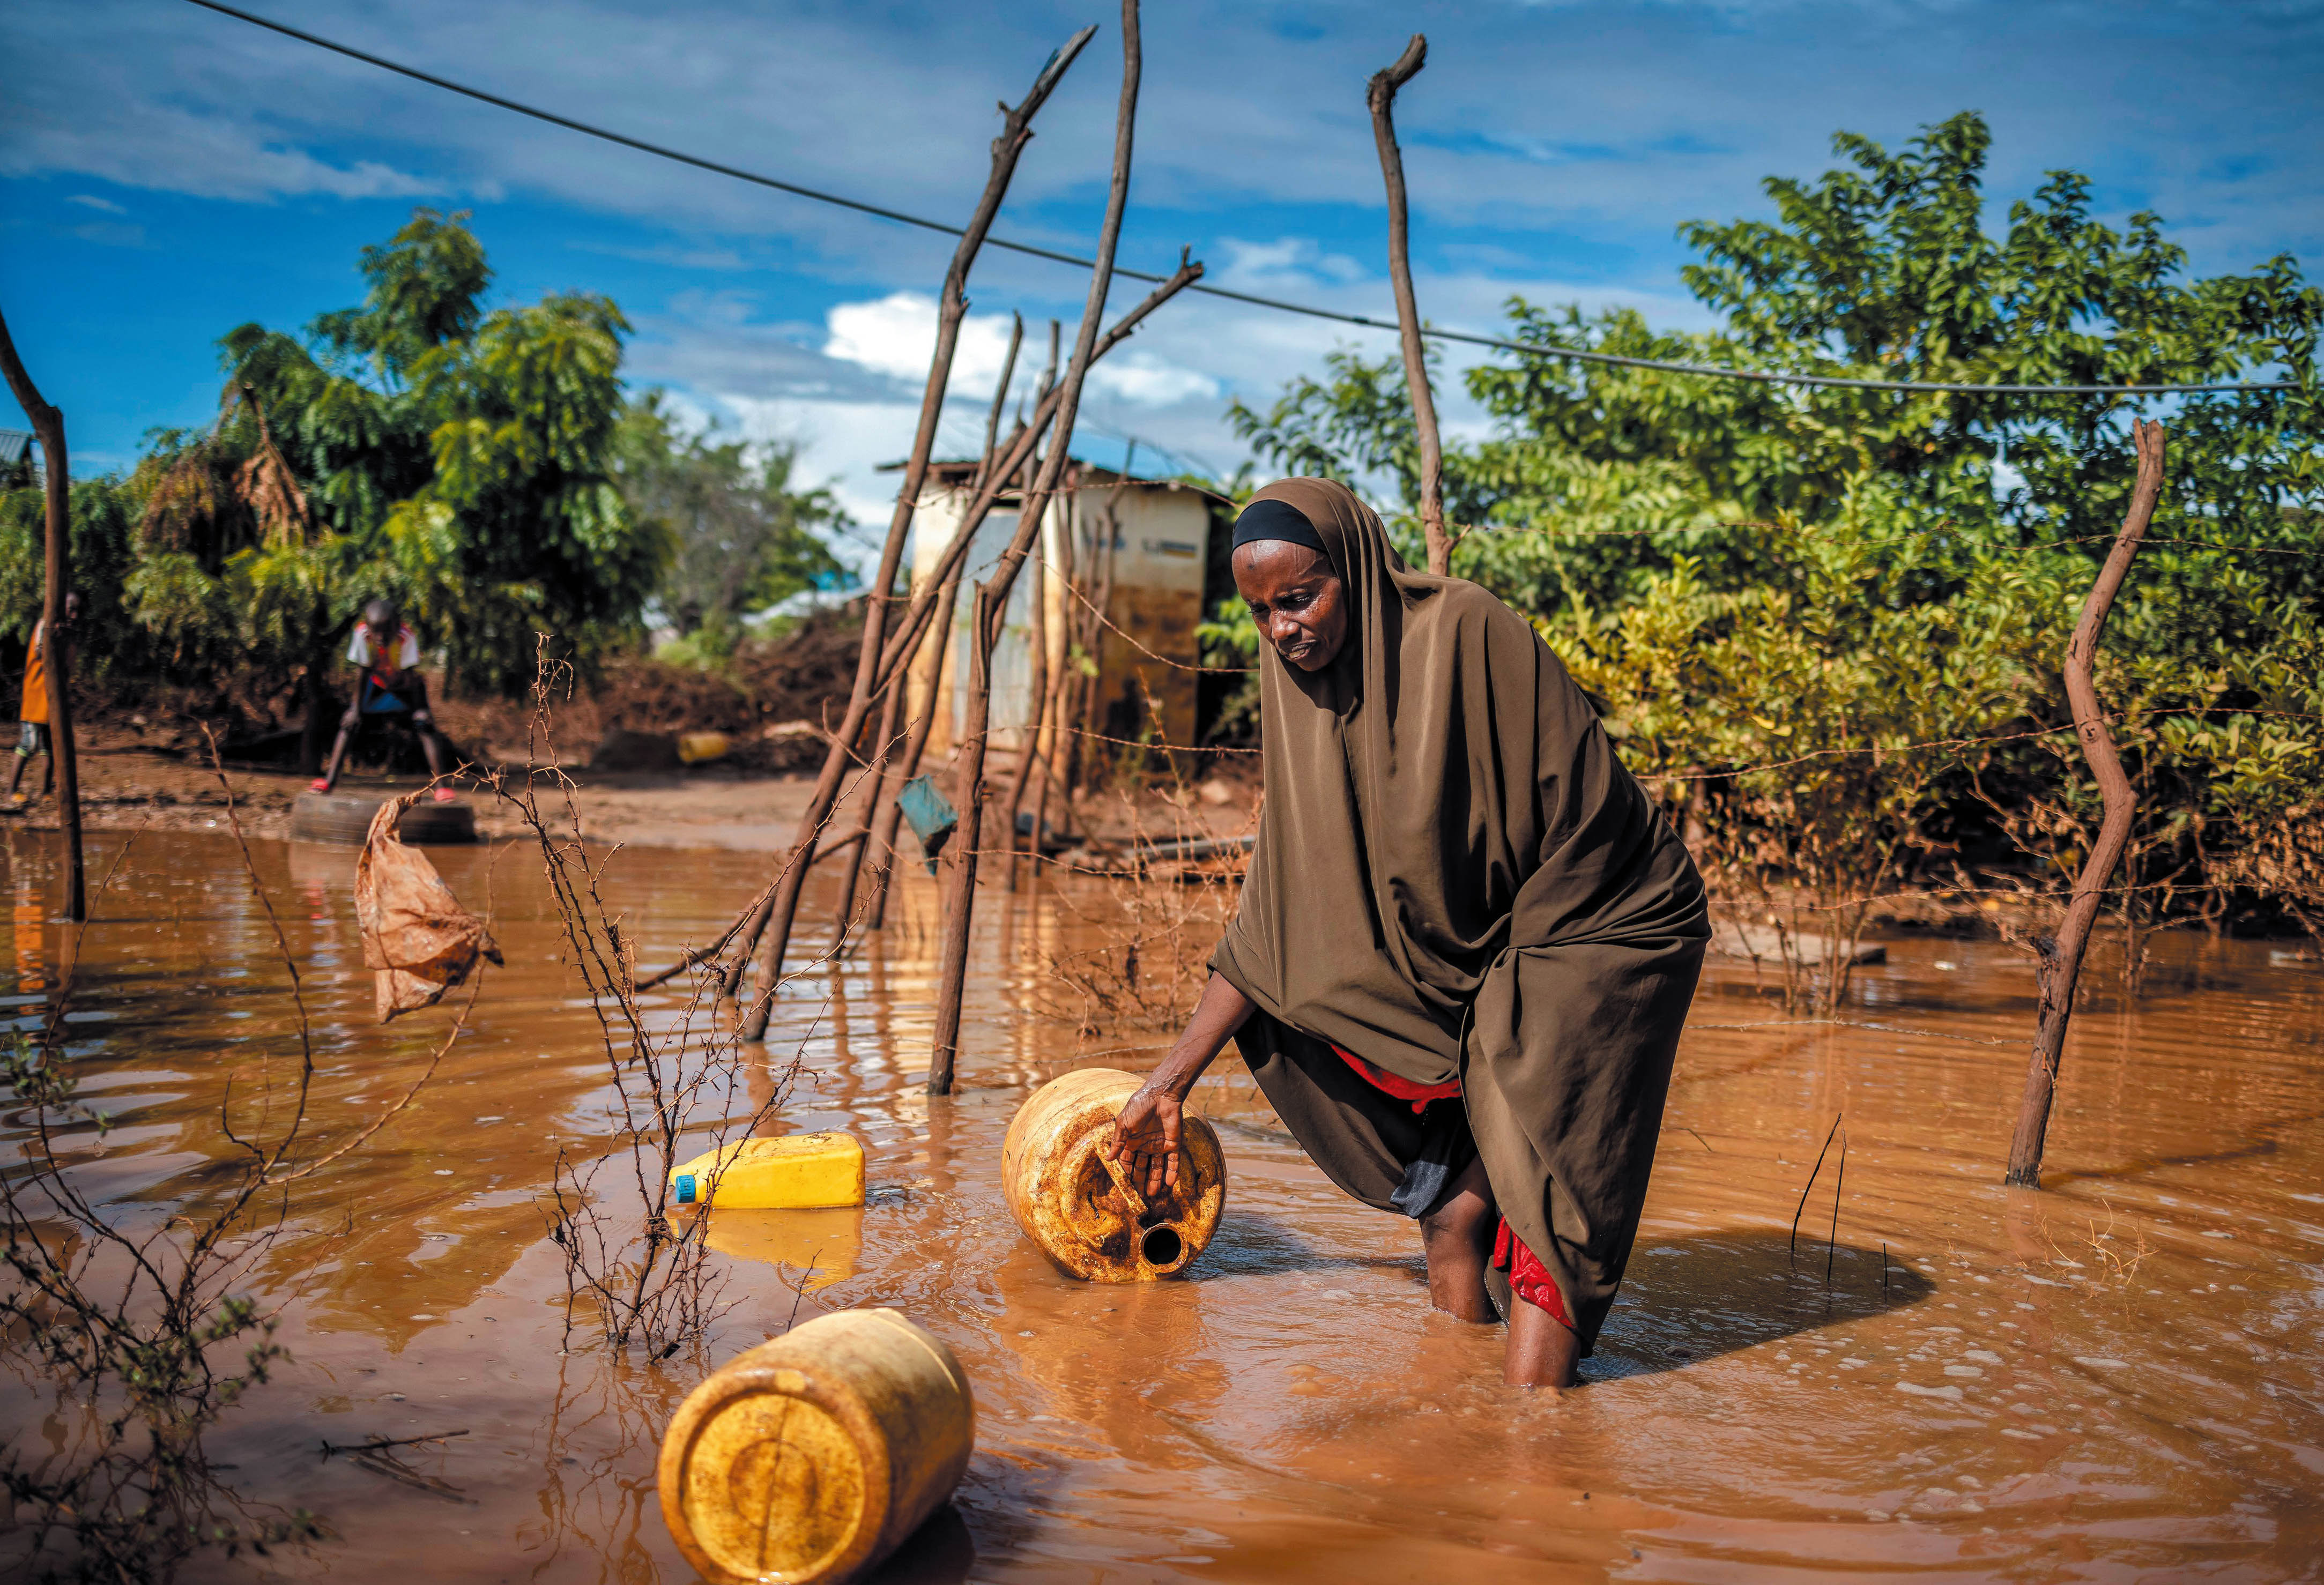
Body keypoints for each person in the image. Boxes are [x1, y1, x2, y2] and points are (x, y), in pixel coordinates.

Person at [1106, 480, 1709, 1388]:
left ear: (1354, 569)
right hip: (1494, 940)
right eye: (1261, 611)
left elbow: (1581, 818)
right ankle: (1453, 1428)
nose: (1282, 630)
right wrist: (1168, 1081)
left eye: (1300, 597)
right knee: (1454, 1215)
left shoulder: (1465, 631)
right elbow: (1273, 926)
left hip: (1606, 917)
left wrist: (1502, 1017)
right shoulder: (1301, 694)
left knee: (1548, 1188)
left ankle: (1536, 1438)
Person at [311, 599, 454, 798]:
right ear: (368, 627)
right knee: (349, 724)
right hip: (376, 683)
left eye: (386, 632)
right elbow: (363, 672)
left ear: (397, 625)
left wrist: (420, 708)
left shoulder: (406, 637)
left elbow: (410, 674)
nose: (380, 638)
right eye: (375, 632)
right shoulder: (361, 634)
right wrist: (355, 709)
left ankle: (442, 787)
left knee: (424, 725)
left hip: (405, 683)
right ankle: (329, 781)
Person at [5, 591, 79, 810]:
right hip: (37, 692)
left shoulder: (70, 633)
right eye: (71, 609)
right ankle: (11, 791)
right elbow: (41, 653)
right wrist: (58, 636)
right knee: (30, 743)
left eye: (77, 610)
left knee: (51, 744)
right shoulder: (45, 624)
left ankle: (47, 791)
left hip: (54, 696)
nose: (74, 615)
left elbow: (69, 664)